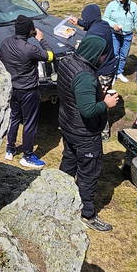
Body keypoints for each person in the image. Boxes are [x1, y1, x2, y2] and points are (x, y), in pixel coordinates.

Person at [56, 35, 120, 232]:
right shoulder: (85, 76)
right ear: (96, 54)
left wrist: (95, 92)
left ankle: (58, 196)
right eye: (103, 55)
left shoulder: (68, 62)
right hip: (84, 133)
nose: (104, 59)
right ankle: (87, 214)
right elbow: (88, 110)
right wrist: (106, 103)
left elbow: (74, 93)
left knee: (69, 161)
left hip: (67, 124)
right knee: (88, 173)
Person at [0, 15, 53, 169]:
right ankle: (27, 155)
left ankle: (10, 149)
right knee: (29, 122)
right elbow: (50, 56)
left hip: (12, 88)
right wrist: (41, 39)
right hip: (29, 90)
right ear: (30, 31)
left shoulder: (5, 43)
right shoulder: (30, 49)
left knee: (14, 118)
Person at [67, 4, 118, 139]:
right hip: (110, 66)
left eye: (84, 18)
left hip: (103, 71)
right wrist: (78, 22)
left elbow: (89, 52)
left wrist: (79, 47)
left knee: (100, 100)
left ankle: (103, 132)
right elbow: (91, 23)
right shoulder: (103, 24)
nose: (84, 20)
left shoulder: (95, 33)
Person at [103, 0, 137, 83]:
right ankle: (112, 73)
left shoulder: (133, 6)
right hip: (115, 34)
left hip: (128, 35)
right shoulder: (112, 5)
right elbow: (105, 18)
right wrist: (113, 25)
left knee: (123, 55)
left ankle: (119, 72)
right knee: (115, 54)